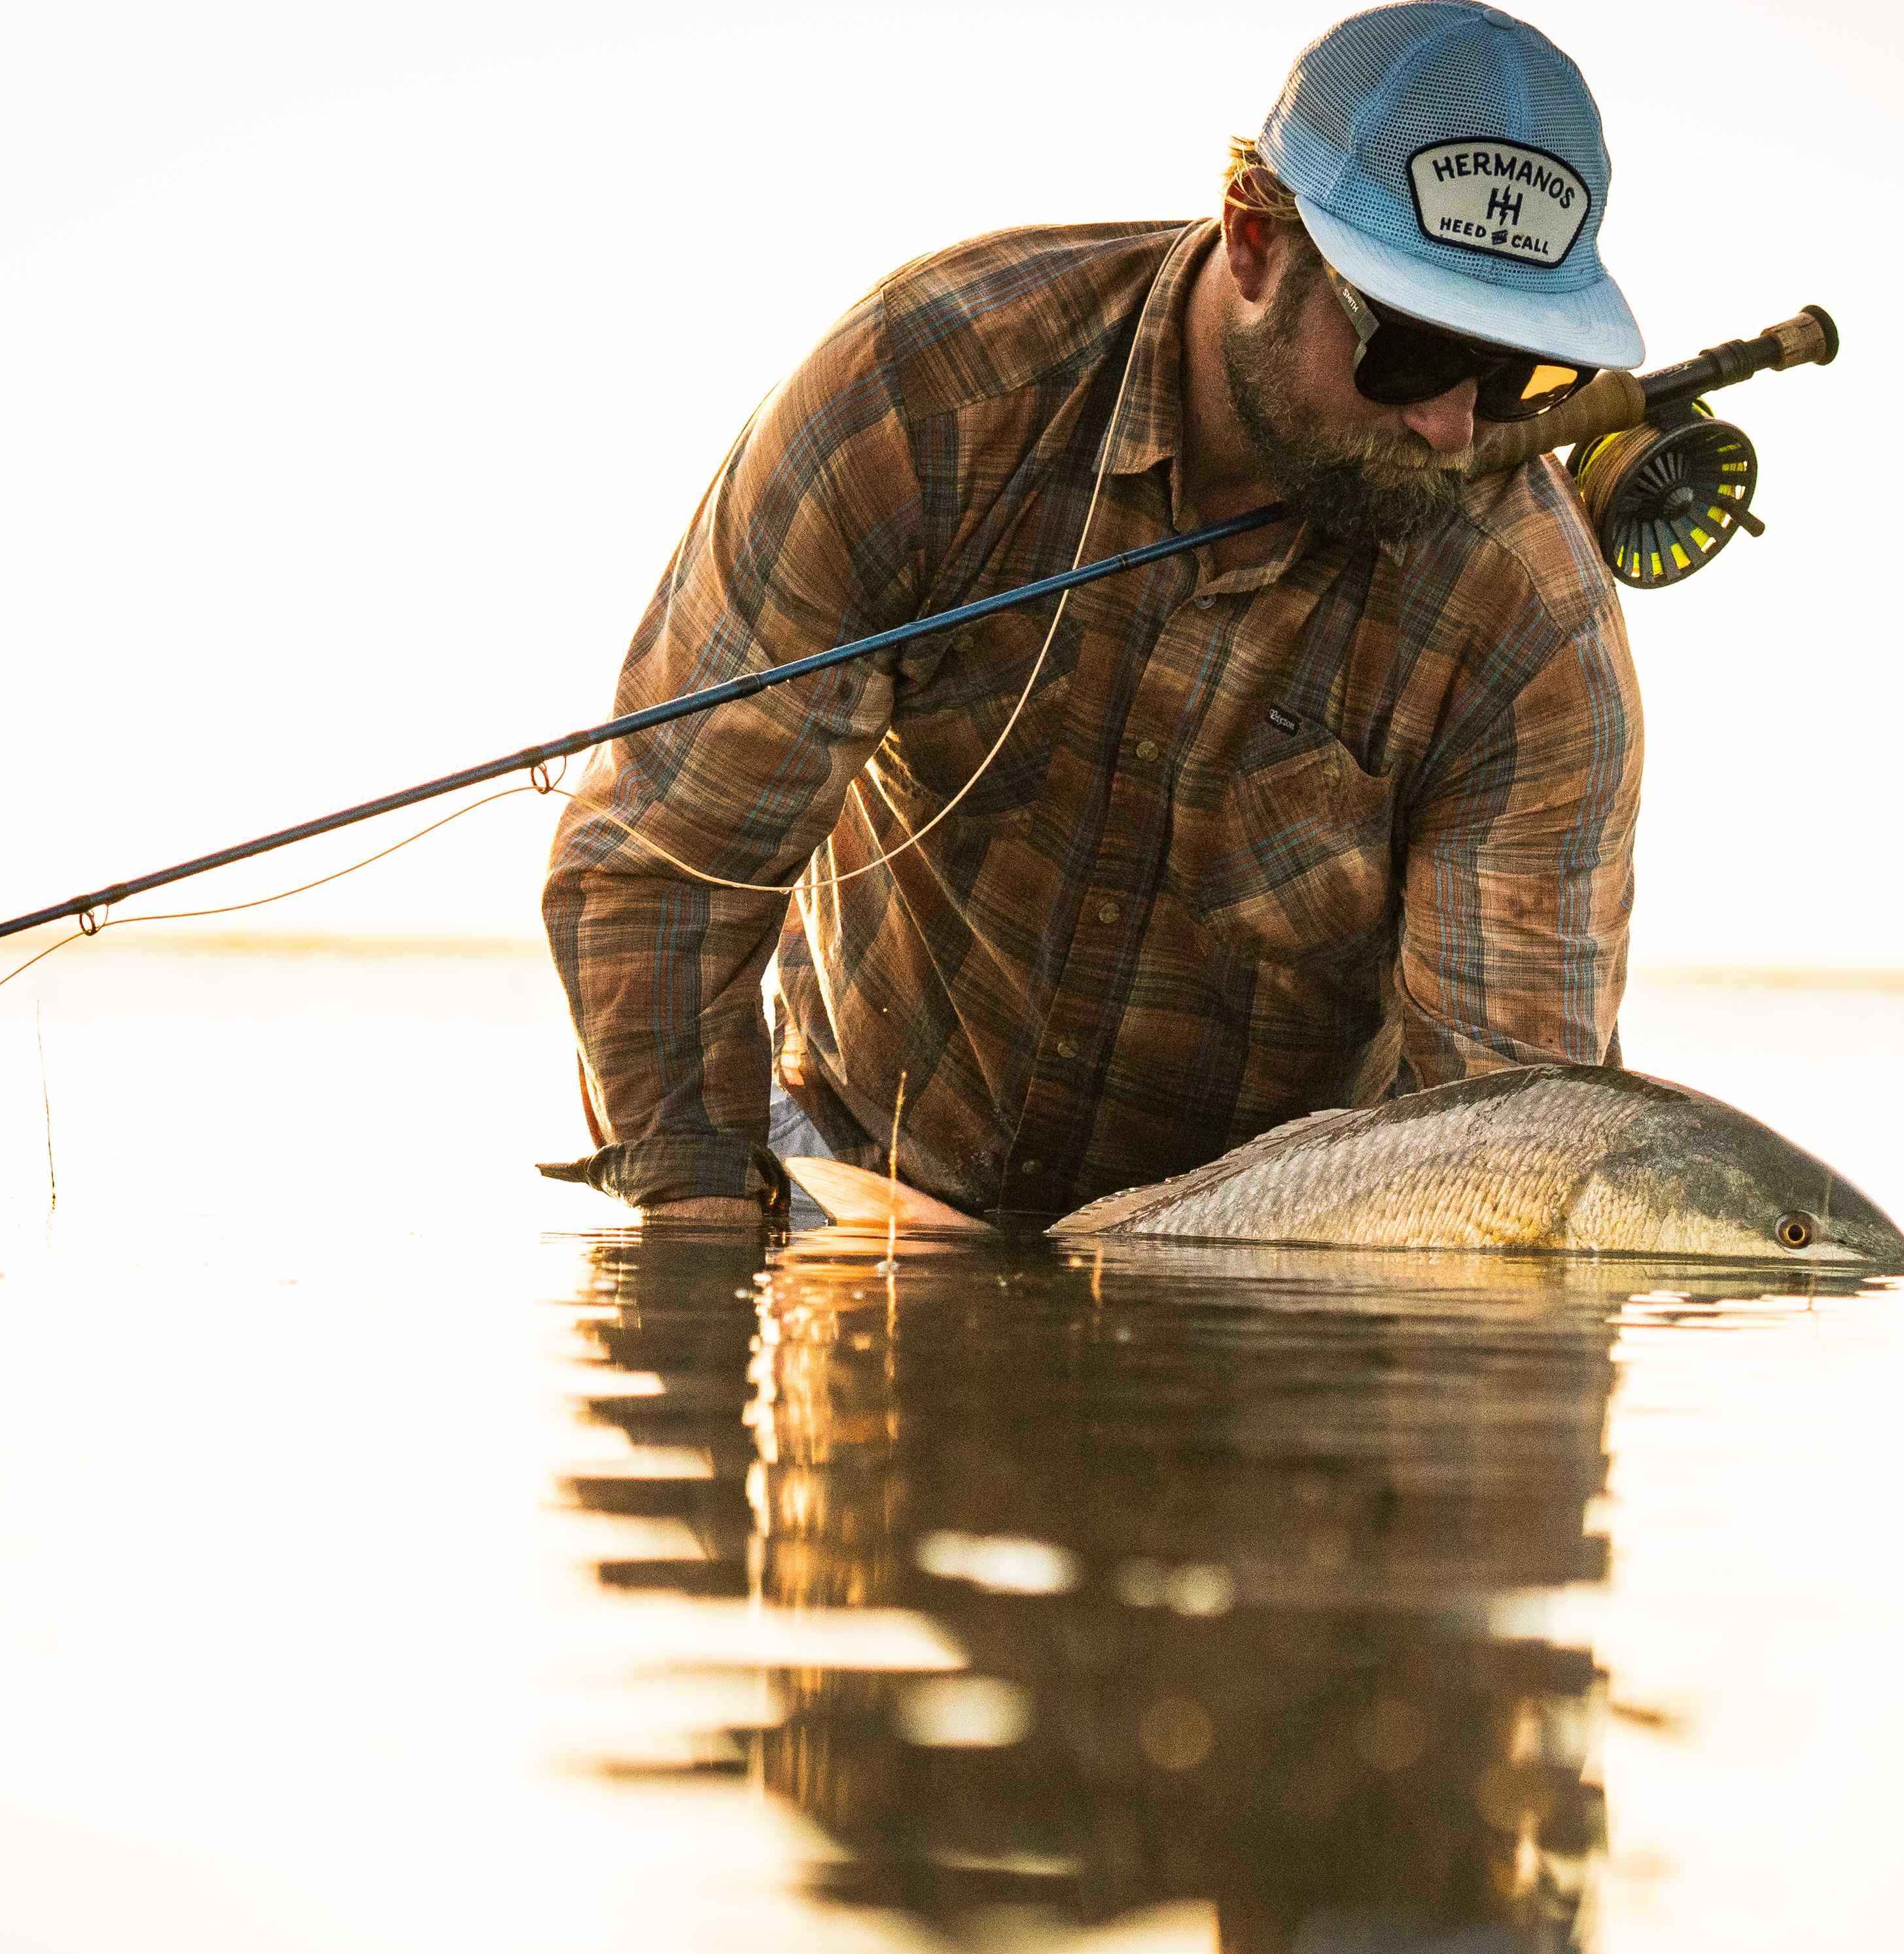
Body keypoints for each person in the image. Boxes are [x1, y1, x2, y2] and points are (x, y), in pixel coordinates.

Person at [543, 1, 1645, 1226]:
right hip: (857, 1178)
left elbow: (1505, 1130)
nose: (1452, 425)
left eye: (1519, 370)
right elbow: (668, 862)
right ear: (1254, 240)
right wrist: (699, 1240)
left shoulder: (1533, 623)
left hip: (1258, 1251)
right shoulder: (927, 390)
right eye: (1414, 351)